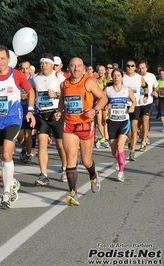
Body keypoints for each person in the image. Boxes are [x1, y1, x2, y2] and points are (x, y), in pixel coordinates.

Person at [0, 45, 36, 209]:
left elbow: (31, 92)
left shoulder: (16, 75)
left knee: (8, 154)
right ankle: (12, 182)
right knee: (4, 157)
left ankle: (5, 195)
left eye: (2, 58)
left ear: (8, 60)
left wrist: (30, 111)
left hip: (13, 119)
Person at [54, 57, 107, 206]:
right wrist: (59, 111)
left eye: (78, 66)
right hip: (69, 125)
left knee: (85, 160)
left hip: (85, 125)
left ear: (83, 68)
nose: (76, 68)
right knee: (71, 157)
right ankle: (73, 193)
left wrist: (95, 110)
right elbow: (62, 99)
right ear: (68, 68)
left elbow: (103, 98)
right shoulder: (64, 84)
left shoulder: (88, 82)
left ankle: (93, 175)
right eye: (73, 66)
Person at [32, 53, 68, 185]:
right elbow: (30, 91)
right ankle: (44, 175)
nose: (43, 65)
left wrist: (56, 94)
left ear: (52, 65)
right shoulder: (35, 77)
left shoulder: (59, 77)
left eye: (46, 63)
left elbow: (66, 95)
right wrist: (30, 107)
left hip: (56, 114)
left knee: (60, 145)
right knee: (41, 143)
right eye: (41, 63)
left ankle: (65, 168)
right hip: (42, 114)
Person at [104, 68, 136, 181]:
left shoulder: (127, 90)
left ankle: (121, 172)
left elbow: (134, 101)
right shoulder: (107, 90)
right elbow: (102, 101)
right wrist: (105, 106)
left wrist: (132, 107)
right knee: (114, 151)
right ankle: (119, 159)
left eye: (118, 75)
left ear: (122, 77)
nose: (116, 77)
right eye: (115, 75)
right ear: (112, 77)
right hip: (112, 122)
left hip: (124, 121)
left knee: (120, 147)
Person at [123, 60, 147, 161]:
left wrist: (145, 95)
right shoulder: (122, 77)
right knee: (125, 128)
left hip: (135, 105)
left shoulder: (139, 77)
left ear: (135, 67)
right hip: (123, 105)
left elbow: (146, 87)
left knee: (134, 129)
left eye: (132, 66)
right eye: (128, 66)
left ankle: (132, 152)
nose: (130, 67)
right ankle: (130, 139)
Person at [136, 60, 158, 152]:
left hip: (147, 103)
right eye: (139, 68)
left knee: (145, 121)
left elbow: (156, 86)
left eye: (143, 68)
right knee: (138, 124)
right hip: (136, 103)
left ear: (146, 68)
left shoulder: (151, 76)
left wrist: (155, 91)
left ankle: (143, 142)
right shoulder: (134, 76)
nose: (141, 70)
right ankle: (141, 133)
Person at [18, 60, 37, 163]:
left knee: (28, 135)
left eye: (27, 68)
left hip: (31, 111)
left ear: (30, 69)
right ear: (20, 69)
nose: (25, 71)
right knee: (20, 136)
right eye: (22, 68)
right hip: (19, 111)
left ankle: (28, 154)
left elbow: (39, 94)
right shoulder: (16, 80)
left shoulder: (34, 81)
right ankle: (25, 148)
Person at [95, 65, 110, 148]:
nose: (100, 72)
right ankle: (104, 136)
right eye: (99, 70)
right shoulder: (95, 81)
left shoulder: (107, 80)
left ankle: (107, 137)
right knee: (98, 121)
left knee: (105, 121)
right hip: (97, 103)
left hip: (105, 103)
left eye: (102, 70)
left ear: (105, 71)